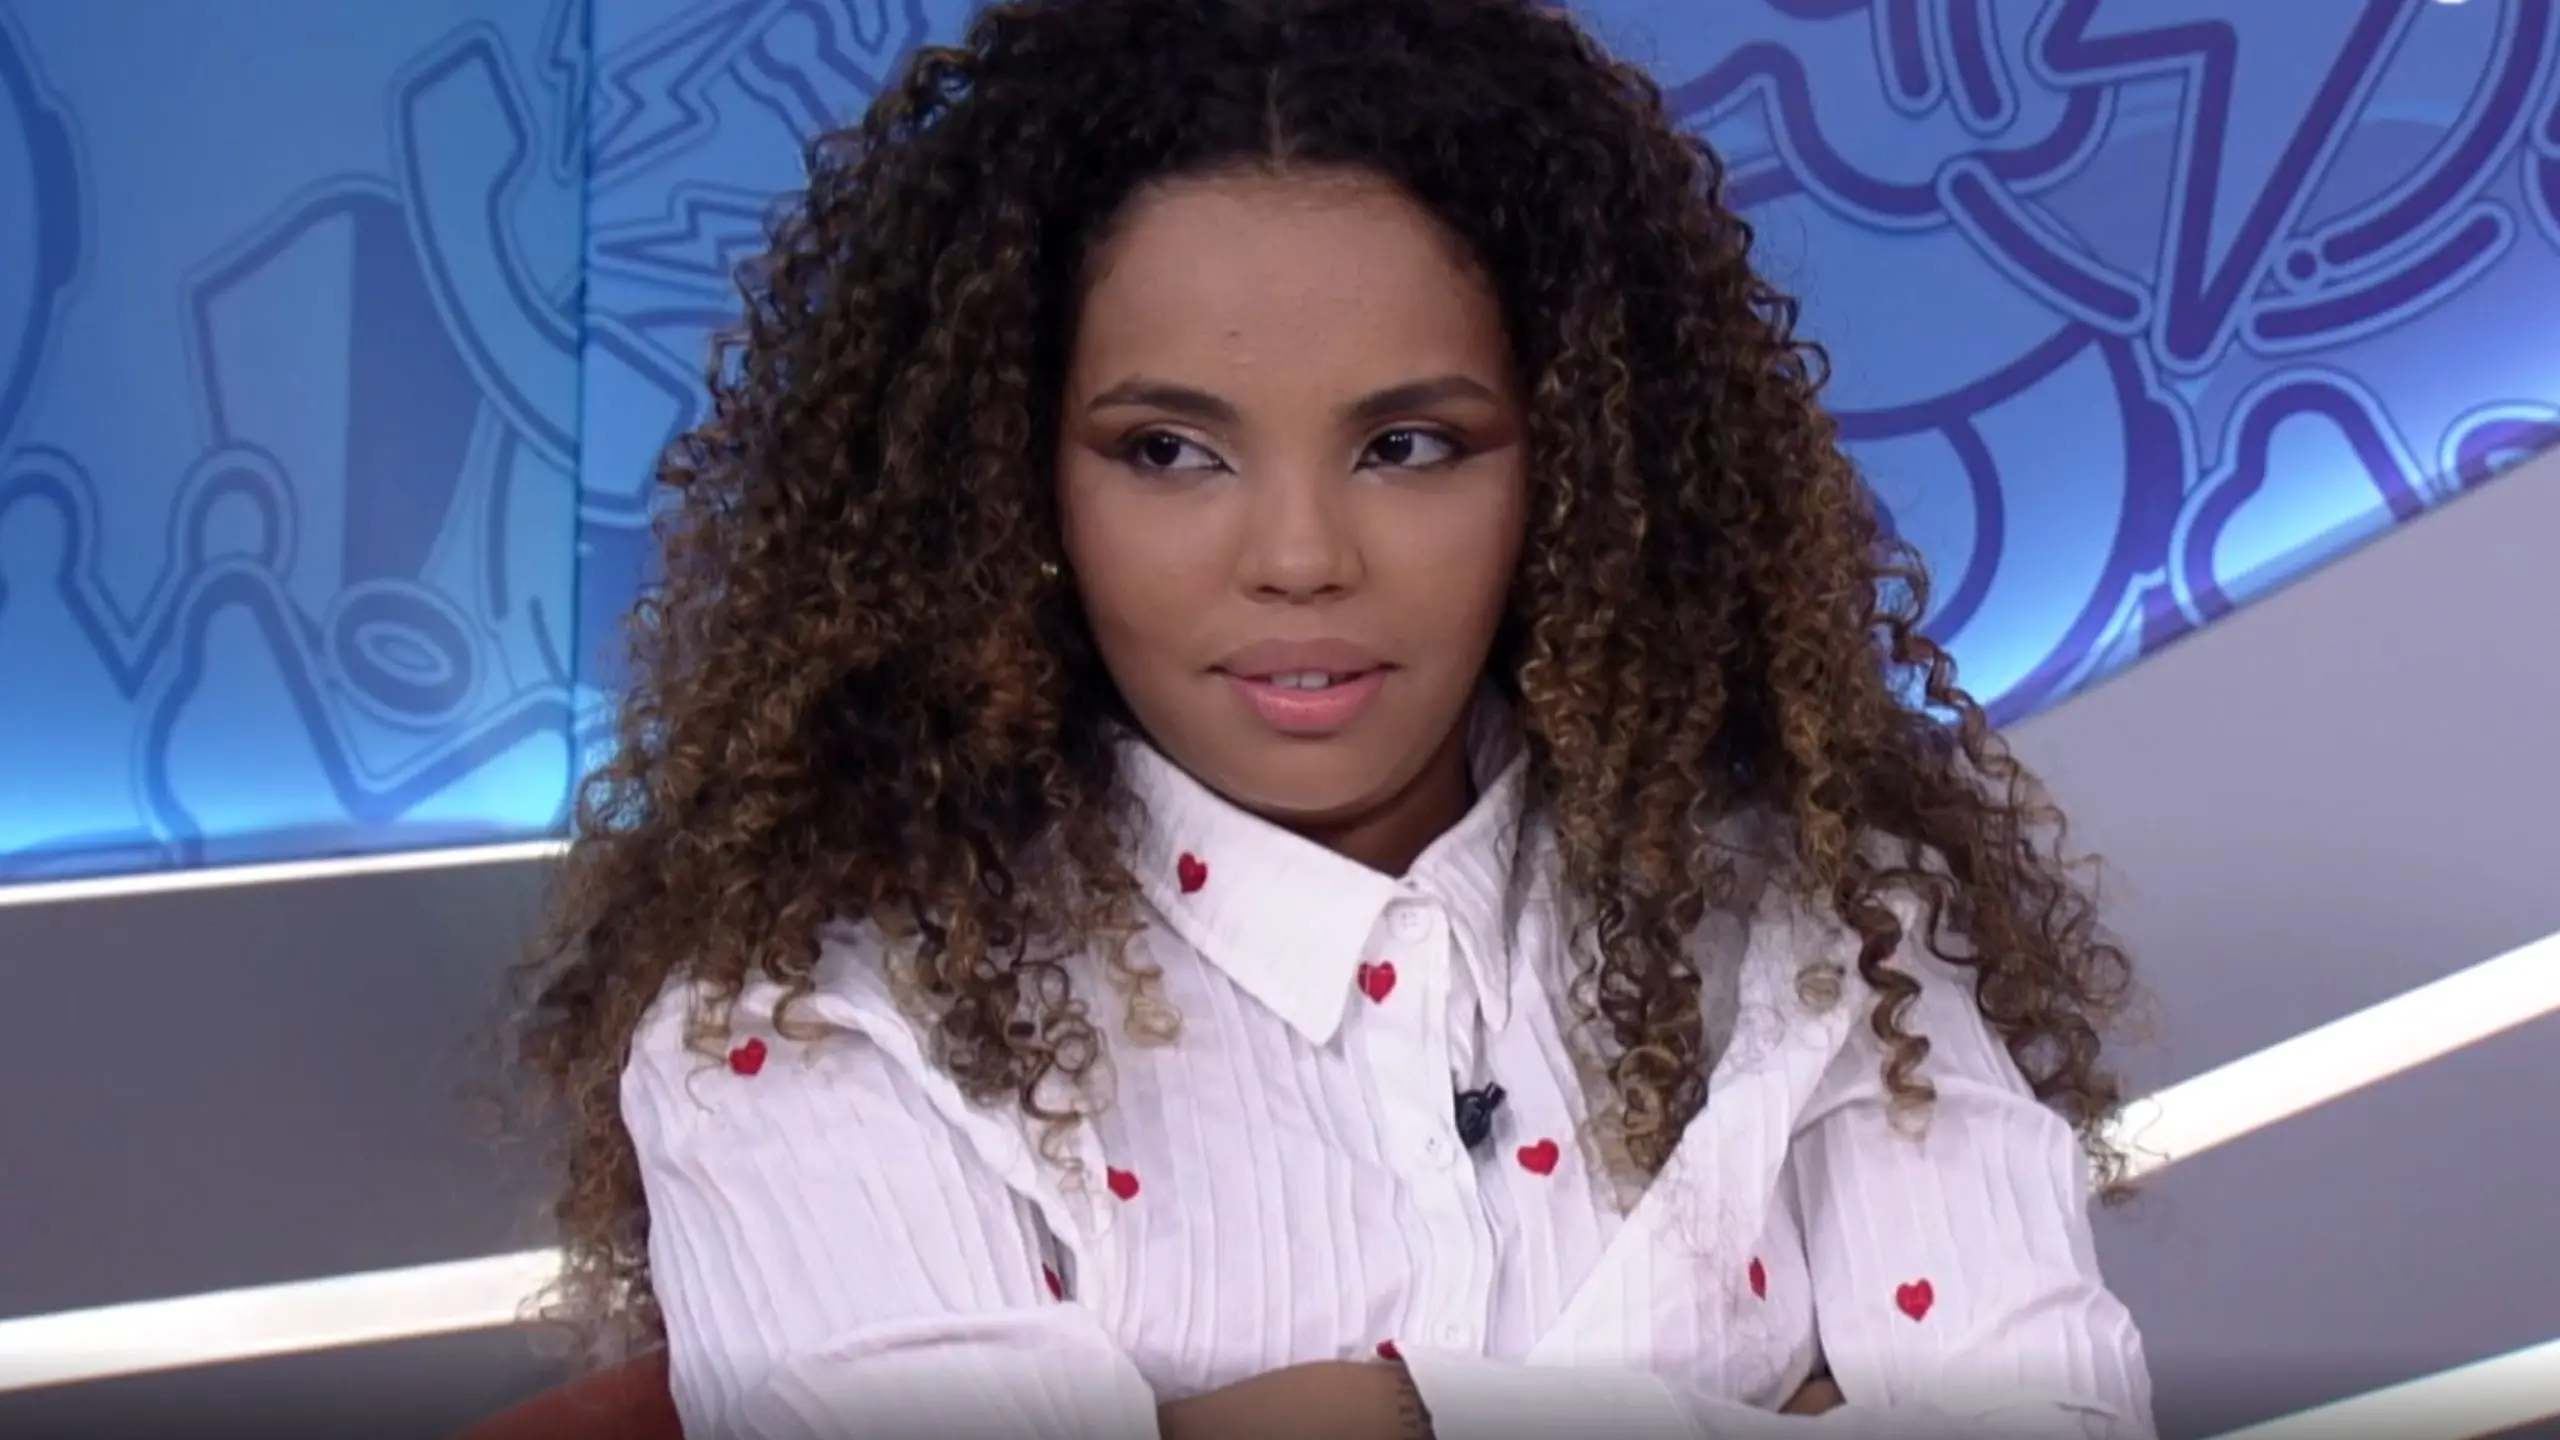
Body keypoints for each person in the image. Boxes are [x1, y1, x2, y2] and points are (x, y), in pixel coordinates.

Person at [516, 1, 2153, 1436]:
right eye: (1170, 452)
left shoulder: (1830, 924)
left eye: (1408, 447)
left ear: (1577, 470)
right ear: (1010, 482)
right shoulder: (807, 1022)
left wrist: (1386, 1416)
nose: (1300, 558)